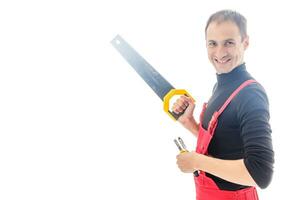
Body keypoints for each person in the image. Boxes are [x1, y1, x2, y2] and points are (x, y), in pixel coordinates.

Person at [172, 10, 274, 200]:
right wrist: (190, 124)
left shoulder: (250, 95)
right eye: (213, 43)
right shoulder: (220, 86)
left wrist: (196, 161)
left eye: (229, 42)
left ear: (245, 42)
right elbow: (228, 143)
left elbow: (260, 173)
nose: (219, 53)